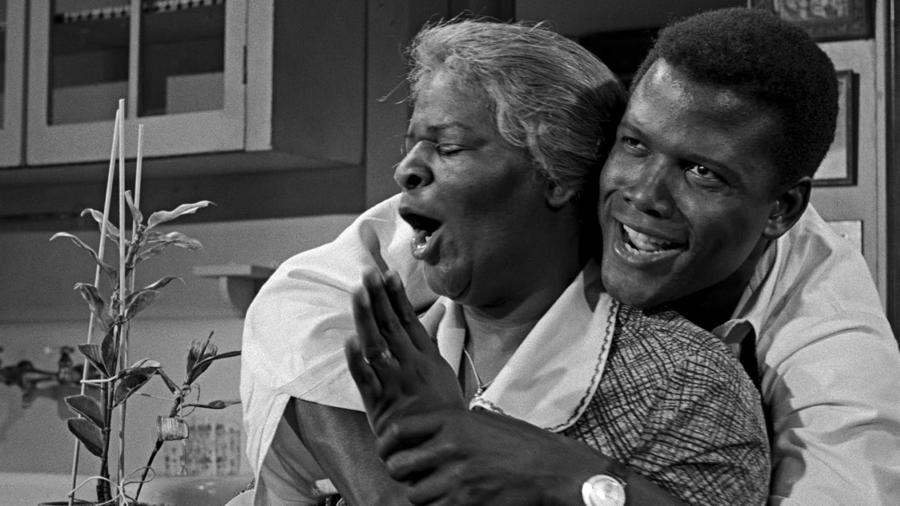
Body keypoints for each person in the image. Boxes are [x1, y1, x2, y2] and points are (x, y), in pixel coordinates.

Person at [339, 8, 900, 505]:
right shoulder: (493, 217)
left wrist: (569, 474)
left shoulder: (831, 353)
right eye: (635, 144)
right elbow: (309, 293)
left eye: (702, 172)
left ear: (782, 209)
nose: (642, 195)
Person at [241, 18, 770, 505]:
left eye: (448, 148)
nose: (405, 171)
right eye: (411, 146)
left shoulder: (684, 385)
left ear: (555, 176)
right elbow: (294, 304)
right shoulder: (374, 351)